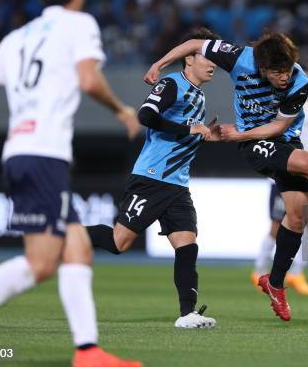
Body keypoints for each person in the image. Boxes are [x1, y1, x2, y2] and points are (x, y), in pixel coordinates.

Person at [0, 0, 142, 367]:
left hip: (22, 151)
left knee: (78, 247)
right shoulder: (78, 24)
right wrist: (121, 110)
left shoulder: (20, 35)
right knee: (41, 263)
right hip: (43, 154)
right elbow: (88, 79)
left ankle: (88, 351)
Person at [144, 32, 308, 322]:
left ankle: (275, 283)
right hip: (254, 145)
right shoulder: (239, 58)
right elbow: (193, 44)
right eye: (278, 72)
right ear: (262, 67)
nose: (285, 77)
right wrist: (159, 64)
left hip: (278, 139)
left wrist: (239, 133)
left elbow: (279, 127)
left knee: (296, 216)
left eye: (288, 69)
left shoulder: (300, 82)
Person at [86, 28, 220, 329]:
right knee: (118, 243)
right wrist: (188, 130)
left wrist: (205, 136)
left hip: (177, 185)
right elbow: (146, 116)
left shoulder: (198, 96)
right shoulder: (172, 83)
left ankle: (188, 314)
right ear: (188, 58)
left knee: (187, 245)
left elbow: (182, 133)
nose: (213, 63)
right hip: (152, 178)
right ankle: (63, 235)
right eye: (206, 57)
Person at [250, 97, 308, 295]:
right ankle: (258, 269)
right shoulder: (280, 106)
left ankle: (297, 272)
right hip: (285, 172)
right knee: (278, 225)